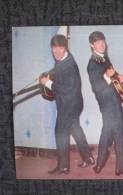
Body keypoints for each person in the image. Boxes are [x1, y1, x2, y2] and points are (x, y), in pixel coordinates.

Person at [40, 34, 94, 174]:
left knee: (60, 133)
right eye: (54, 48)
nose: (57, 52)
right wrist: (49, 74)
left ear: (65, 48)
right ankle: (88, 158)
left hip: (70, 105)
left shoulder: (69, 64)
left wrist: (48, 82)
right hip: (72, 103)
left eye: (60, 48)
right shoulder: (61, 60)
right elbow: (59, 74)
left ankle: (63, 167)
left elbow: (66, 88)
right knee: (75, 129)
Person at [87, 31, 123, 176]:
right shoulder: (92, 63)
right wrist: (107, 76)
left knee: (107, 133)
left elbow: (113, 78)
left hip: (113, 101)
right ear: (92, 45)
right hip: (108, 103)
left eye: (103, 41)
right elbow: (96, 86)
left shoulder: (105, 59)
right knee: (119, 134)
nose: (102, 44)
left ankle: (99, 165)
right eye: (98, 42)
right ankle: (120, 168)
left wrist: (120, 77)